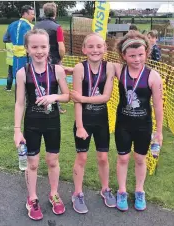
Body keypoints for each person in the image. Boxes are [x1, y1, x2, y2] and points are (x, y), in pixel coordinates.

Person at [14, 29, 70, 220]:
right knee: (33, 163)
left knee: (53, 161)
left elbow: (67, 96)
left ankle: (54, 193)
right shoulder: (22, 73)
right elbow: (20, 103)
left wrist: (55, 96)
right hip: (32, 123)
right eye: (35, 46)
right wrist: (16, 130)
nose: (39, 51)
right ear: (27, 49)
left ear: (49, 47)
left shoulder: (58, 70)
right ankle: (32, 198)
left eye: (43, 46)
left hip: (52, 122)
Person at [113, 30, 163, 211]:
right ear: (123, 55)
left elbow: (158, 106)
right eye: (132, 55)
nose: (137, 59)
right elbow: (95, 67)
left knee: (140, 159)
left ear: (147, 53)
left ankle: (139, 190)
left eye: (140, 55)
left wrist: (159, 132)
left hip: (143, 125)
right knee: (123, 158)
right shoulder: (118, 70)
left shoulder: (153, 76)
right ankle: (122, 191)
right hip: (123, 125)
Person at [70, 33, 116, 214]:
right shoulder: (79, 68)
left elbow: (106, 97)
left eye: (99, 46)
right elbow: (77, 101)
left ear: (105, 48)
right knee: (82, 157)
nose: (95, 50)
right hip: (84, 120)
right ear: (84, 49)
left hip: (101, 120)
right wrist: (80, 126)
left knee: (103, 157)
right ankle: (77, 193)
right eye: (91, 46)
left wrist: (84, 98)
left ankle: (105, 189)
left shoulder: (110, 67)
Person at [34, 2, 66, 114]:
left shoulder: (36, 26)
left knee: (39, 81)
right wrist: (60, 58)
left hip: (38, 59)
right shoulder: (57, 27)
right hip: (54, 60)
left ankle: (38, 102)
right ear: (55, 12)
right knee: (55, 82)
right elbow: (61, 47)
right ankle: (55, 105)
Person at [3, 5, 34, 80]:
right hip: (27, 58)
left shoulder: (12, 25)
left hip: (16, 58)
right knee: (28, 80)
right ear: (25, 14)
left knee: (18, 80)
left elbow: (5, 39)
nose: (34, 16)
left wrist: (15, 41)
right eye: (32, 14)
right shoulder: (31, 26)